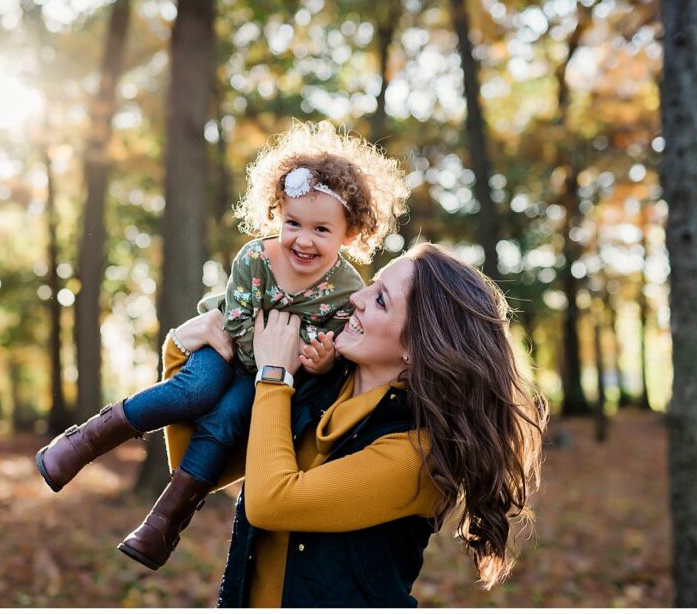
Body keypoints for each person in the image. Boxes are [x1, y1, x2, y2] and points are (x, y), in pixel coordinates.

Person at [34, 121, 409, 570]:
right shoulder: (255, 258)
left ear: (349, 234)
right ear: (277, 215)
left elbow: (329, 347)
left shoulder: (347, 290)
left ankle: (164, 523)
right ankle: (85, 441)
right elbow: (235, 320)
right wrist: (275, 354)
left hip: (271, 371)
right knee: (195, 391)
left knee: (228, 419)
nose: (303, 239)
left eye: (321, 230)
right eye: (292, 223)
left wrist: (321, 359)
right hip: (231, 346)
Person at [160, 243, 548, 607]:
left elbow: (270, 504)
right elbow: (195, 470)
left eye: (380, 299)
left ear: (417, 345)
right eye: (372, 285)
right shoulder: (321, 380)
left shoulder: (416, 453)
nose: (356, 298)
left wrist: (274, 376)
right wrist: (179, 353)